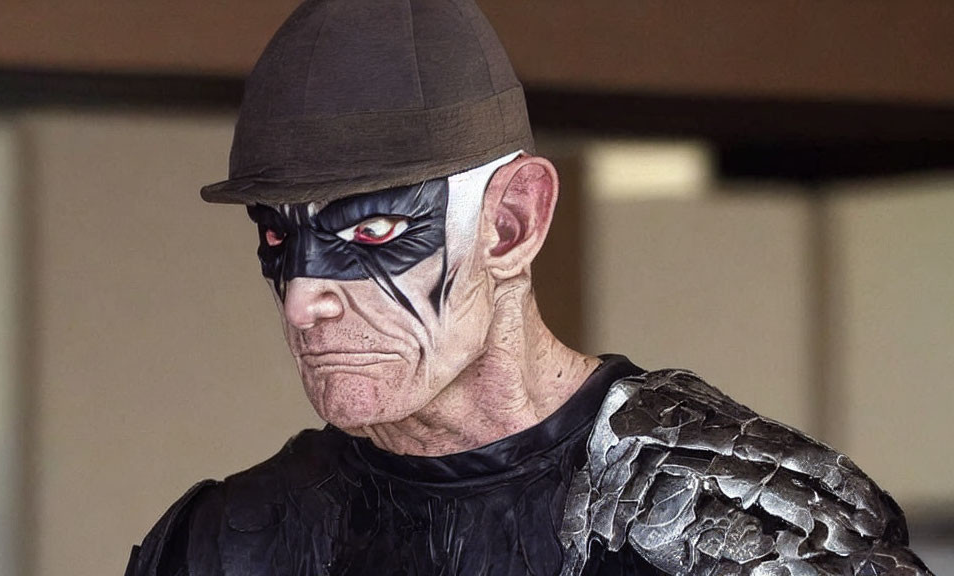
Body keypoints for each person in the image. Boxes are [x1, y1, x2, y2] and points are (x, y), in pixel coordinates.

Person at [126, 1, 934, 574]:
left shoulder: (736, 525)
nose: (304, 299)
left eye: (370, 234)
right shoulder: (230, 543)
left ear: (510, 223)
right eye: (277, 236)